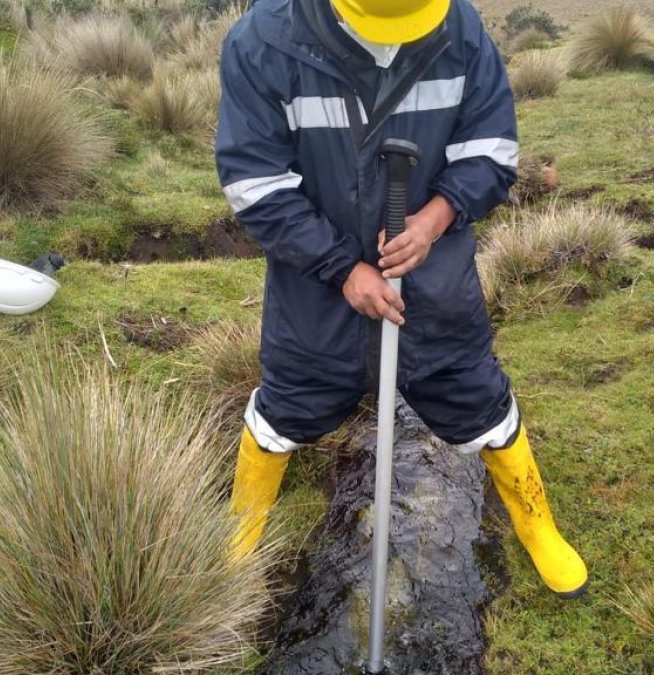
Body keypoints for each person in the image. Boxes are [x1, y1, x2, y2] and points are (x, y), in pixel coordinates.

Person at [215, 0, 589, 598]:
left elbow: (491, 151)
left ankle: (534, 520)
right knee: (285, 406)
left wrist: (434, 220)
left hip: (433, 286)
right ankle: (243, 527)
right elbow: (254, 182)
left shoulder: (457, 26)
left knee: (479, 399)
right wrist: (342, 268)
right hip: (315, 289)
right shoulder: (264, 41)